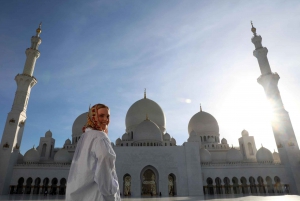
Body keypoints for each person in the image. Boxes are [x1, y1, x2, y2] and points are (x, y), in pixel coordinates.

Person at [66, 104, 121, 201]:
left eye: (107, 116)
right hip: (97, 196)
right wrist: (112, 191)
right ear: (93, 117)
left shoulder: (84, 137)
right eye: (101, 116)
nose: (105, 119)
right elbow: (105, 160)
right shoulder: (100, 137)